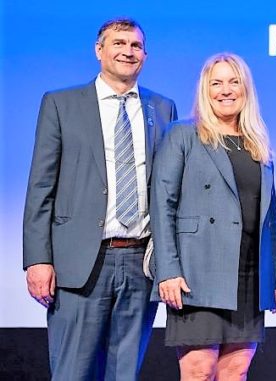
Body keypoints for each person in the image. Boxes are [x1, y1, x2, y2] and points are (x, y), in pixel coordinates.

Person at [22, 18, 176, 380]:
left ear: (145, 55)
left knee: (124, 373)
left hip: (140, 263)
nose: (128, 51)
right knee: (72, 372)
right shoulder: (61, 103)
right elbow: (40, 187)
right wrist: (37, 260)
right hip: (80, 264)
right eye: (119, 43)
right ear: (99, 50)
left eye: (136, 46)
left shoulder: (163, 108)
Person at [150, 52, 276, 381]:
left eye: (233, 81)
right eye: (216, 83)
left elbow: (271, 220)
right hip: (198, 272)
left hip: (248, 274)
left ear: (246, 89)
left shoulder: (258, 145)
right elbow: (162, 203)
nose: (226, 90)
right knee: (199, 371)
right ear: (204, 90)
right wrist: (168, 270)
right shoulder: (184, 134)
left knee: (235, 372)